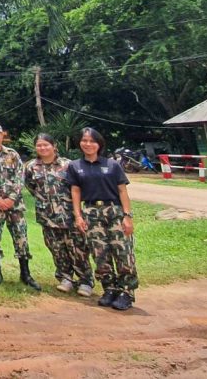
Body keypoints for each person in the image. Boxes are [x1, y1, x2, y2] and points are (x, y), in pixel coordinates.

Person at [67, 128, 139, 311]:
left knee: (123, 251)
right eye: (84, 140)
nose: (88, 144)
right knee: (100, 253)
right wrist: (78, 216)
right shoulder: (75, 166)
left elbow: (122, 190)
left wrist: (127, 216)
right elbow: (75, 191)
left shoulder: (112, 165)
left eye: (92, 141)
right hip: (91, 211)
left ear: (99, 144)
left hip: (114, 210)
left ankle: (126, 291)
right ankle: (110, 288)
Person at [25, 133, 94, 297]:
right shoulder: (31, 167)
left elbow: (79, 188)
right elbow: (31, 186)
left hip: (69, 215)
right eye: (39, 145)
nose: (42, 148)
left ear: (54, 146)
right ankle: (65, 278)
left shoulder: (68, 165)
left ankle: (85, 280)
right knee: (56, 249)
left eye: (46, 145)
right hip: (47, 216)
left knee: (78, 249)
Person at [0, 122, 41, 290]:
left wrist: (11, 198)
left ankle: (25, 273)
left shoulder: (12, 154)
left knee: (21, 238)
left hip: (15, 205)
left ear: (3, 134)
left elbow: (20, 177)